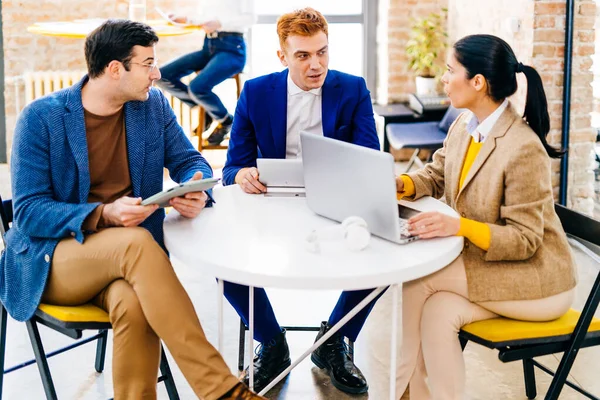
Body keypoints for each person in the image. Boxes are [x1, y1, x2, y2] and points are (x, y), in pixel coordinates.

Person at [0, 19, 264, 400]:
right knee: (137, 243)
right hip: (53, 259)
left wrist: (194, 188)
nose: (157, 73)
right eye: (148, 64)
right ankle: (221, 391)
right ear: (114, 69)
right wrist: (104, 214)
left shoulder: (150, 106)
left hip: (128, 266)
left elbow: (191, 159)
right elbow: (28, 212)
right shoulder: (42, 118)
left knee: (134, 302)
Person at [394, 34, 578, 399]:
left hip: (539, 282)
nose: (444, 79)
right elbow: (437, 174)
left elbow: (525, 240)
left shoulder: (523, 148)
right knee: (438, 312)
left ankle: (395, 394)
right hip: (495, 269)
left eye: (450, 71)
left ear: (478, 82)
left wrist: (459, 226)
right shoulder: (465, 124)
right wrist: (400, 184)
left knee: (417, 282)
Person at [221, 7, 381, 395]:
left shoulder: (353, 88)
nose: (316, 65)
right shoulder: (257, 93)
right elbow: (231, 169)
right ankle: (272, 342)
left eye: (323, 52)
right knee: (223, 262)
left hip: (335, 206)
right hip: (271, 205)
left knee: (387, 258)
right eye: (303, 55)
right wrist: (242, 175)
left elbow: (370, 161)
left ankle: (335, 340)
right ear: (282, 56)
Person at [156, 0, 255, 146]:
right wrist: (185, 19)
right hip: (208, 47)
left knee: (197, 88)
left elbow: (250, 18)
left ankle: (226, 120)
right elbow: (205, 19)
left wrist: (220, 23)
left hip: (233, 49)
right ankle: (208, 109)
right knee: (162, 76)